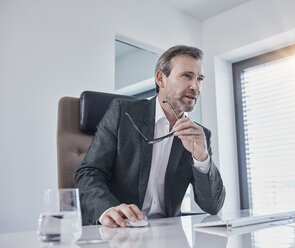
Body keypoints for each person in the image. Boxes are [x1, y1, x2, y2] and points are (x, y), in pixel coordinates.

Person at [75, 45, 225, 227]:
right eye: (187, 75)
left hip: (168, 234)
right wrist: (107, 209)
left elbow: (213, 206)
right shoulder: (122, 113)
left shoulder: (199, 135)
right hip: (119, 230)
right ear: (161, 79)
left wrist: (202, 158)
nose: (196, 86)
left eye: (200, 78)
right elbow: (88, 173)